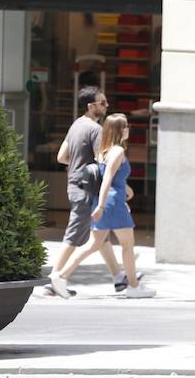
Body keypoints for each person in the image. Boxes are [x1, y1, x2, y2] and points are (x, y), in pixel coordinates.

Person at [50, 113, 155, 299]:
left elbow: (110, 180)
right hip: (112, 203)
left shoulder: (103, 152)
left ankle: (61, 276)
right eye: (125, 126)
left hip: (109, 201)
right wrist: (102, 205)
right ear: (118, 130)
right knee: (127, 245)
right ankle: (133, 286)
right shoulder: (118, 151)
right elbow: (107, 179)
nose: (128, 129)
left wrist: (105, 202)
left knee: (94, 244)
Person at [48, 86, 133, 296]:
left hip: (75, 184)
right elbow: (105, 163)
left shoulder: (76, 125)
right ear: (90, 106)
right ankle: (54, 280)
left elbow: (62, 157)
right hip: (86, 189)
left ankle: (119, 277)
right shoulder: (96, 130)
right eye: (102, 103)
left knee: (100, 236)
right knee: (75, 234)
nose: (106, 106)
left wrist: (79, 166)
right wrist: (122, 187)